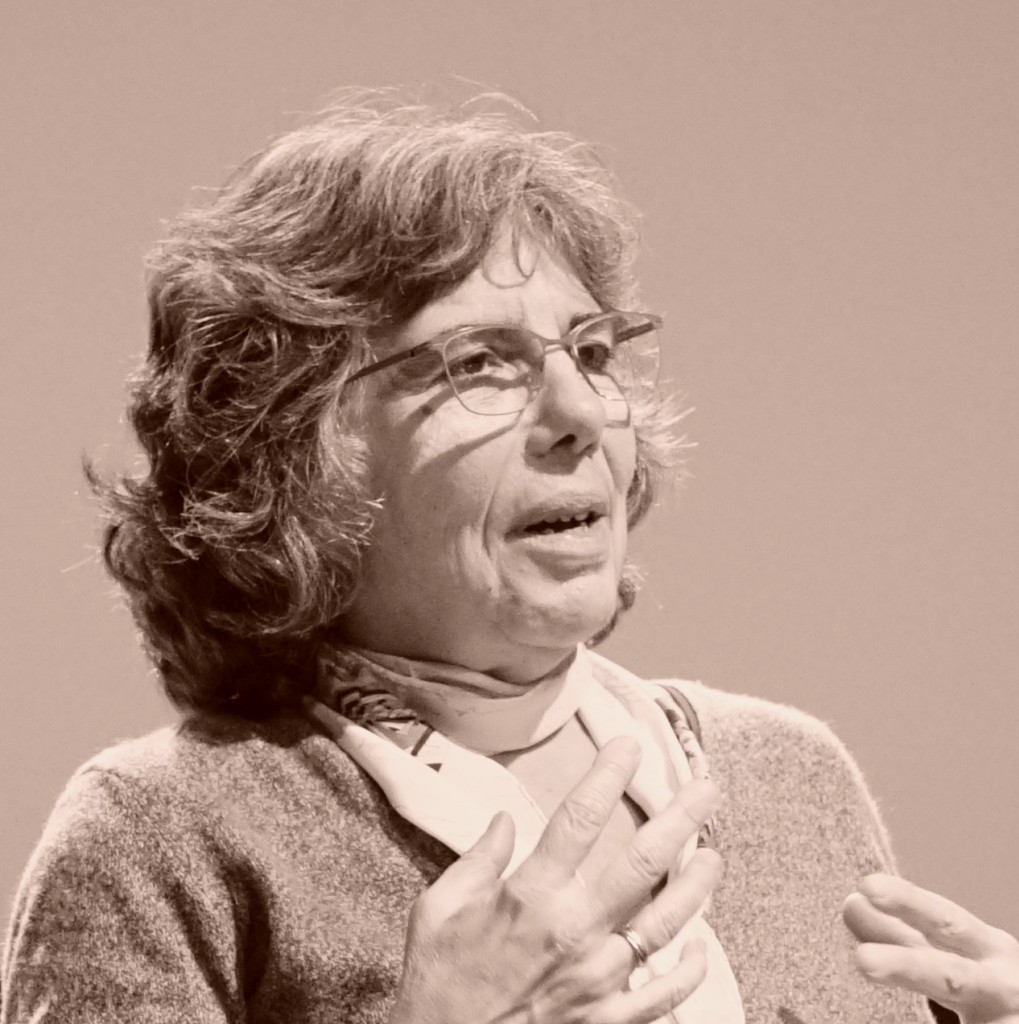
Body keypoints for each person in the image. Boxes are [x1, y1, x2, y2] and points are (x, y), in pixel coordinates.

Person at [2, 96, 1016, 1024]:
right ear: (297, 450)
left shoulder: (787, 776)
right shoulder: (164, 833)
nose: (578, 412)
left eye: (592, 352)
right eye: (480, 363)